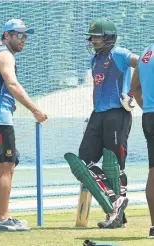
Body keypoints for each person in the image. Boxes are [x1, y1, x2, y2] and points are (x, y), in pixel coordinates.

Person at [65, 18, 139, 229]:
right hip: (98, 114)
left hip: (117, 113)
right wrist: (94, 113)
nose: (93, 40)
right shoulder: (95, 59)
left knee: (114, 164)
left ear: (108, 37)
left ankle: (116, 215)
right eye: (92, 37)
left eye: (97, 37)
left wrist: (134, 93)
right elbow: (96, 89)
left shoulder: (119, 54)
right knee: (83, 161)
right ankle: (116, 203)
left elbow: (142, 64)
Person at [0, 19, 48, 232]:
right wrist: (35, 109)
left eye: (26, 36)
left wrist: (10, 103)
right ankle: (3, 218)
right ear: (7, 35)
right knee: (7, 166)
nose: (23, 39)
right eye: (19, 35)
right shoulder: (5, 55)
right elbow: (12, 84)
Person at [131, 43, 154, 238]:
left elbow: (134, 87)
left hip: (149, 116)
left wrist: (146, 107)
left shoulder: (146, 51)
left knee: (153, 170)